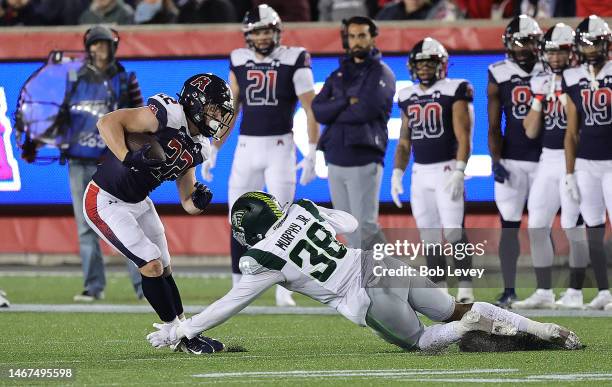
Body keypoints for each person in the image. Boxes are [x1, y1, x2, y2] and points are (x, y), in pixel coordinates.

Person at [145, 191, 582, 353]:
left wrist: (183, 328)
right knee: (453, 307)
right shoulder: (301, 208)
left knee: (424, 341)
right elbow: (351, 226)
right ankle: (542, 329)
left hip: (365, 295)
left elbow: (230, 303)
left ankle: (469, 326)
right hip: (380, 262)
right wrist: (320, 220)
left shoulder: (263, 258)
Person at [84, 73, 235, 354]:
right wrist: (127, 157)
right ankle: (177, 334)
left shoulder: (199, 145)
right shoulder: (167, 113)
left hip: (139, 201)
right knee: (151, 264)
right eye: (214, 108)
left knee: (164, 267)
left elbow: (186, 201)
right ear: (196, 102)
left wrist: (198, 203)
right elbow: (106, 122)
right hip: (105, 199)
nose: (218, 116)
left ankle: (184, 333)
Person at [201, 4, 319, 307]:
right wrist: (214, 146)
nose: (263, 37)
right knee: (236, 217)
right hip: (246, 148)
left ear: (276, 32)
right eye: (257, 31)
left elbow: (310, 108)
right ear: (248, 35)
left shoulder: (295, 57)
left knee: (284, 220)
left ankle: (285, 286)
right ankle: (237, 285)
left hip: (280, 147)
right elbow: (232, 107)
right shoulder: (238, 59)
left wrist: (313, 149)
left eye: (267, 30)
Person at [20, 25, 145, 302]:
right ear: (88, 47)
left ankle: (144, 285)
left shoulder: (125, 79)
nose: (100, 50)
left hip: (115, 163)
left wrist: (135, 155)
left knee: (127, 223)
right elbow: (58, 117)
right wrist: (36, 141)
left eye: (105, 44)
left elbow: (141, 120)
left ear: (114, 47)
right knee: (86, 227)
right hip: (78, 161)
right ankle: (94, 287)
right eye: (96, 44)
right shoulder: (73, 79)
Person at [390, 38, 475, 302]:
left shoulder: (455, 89)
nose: (425, 68)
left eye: (430, 62)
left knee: (453, 230)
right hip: (420, 173)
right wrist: (397, 172)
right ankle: (439, 288)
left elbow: (464, 136)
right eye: (420, 63)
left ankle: (465, 287)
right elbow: (405, 140)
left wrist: (460, 169)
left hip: (447, 169)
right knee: (428, 233)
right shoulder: (405, 95)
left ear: (441, 64)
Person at [514, 23, 590, 310]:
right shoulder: (540, 81)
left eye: (561, 51)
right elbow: (531, 131)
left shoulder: (584, 78)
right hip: (548, 158)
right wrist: (538, 98)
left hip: (577, 159)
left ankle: (575, 291)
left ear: (573, 51)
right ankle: (544, 290)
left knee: (573, 225)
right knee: (536, 225)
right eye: (551, 52)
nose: (556, 58)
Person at [312, 16, 395, 251]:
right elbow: (318, 110)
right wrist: (347, 101)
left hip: (364, 157)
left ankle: (390, 279)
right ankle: (365, 283)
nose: (356, 41)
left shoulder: (382, 72)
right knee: (347, 229)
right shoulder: (339, 73)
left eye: (362, 35)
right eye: (352, 36)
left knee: (365, 227)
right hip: (336, 157)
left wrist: (335, 107)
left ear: (372, 37)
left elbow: (365, 110)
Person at [487, 15, 543, 308]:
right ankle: (509, 289)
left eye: (529, 41)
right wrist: (496, 159)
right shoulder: (499, 71)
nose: (523, 47)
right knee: (509, 225)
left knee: (542, 225)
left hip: (547, 160)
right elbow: (494, 123)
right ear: (509, 44)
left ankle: (547, 290)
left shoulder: (551, 68)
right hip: (513, 158)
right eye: (518, 41)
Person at [562, 15, 612, 310]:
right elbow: (571, 130)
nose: (591, 50)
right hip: (586, 163)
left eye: (596, 44)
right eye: (587, 45)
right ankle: (604, 290)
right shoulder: (572, 77)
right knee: (593, 227)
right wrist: (569, 172)